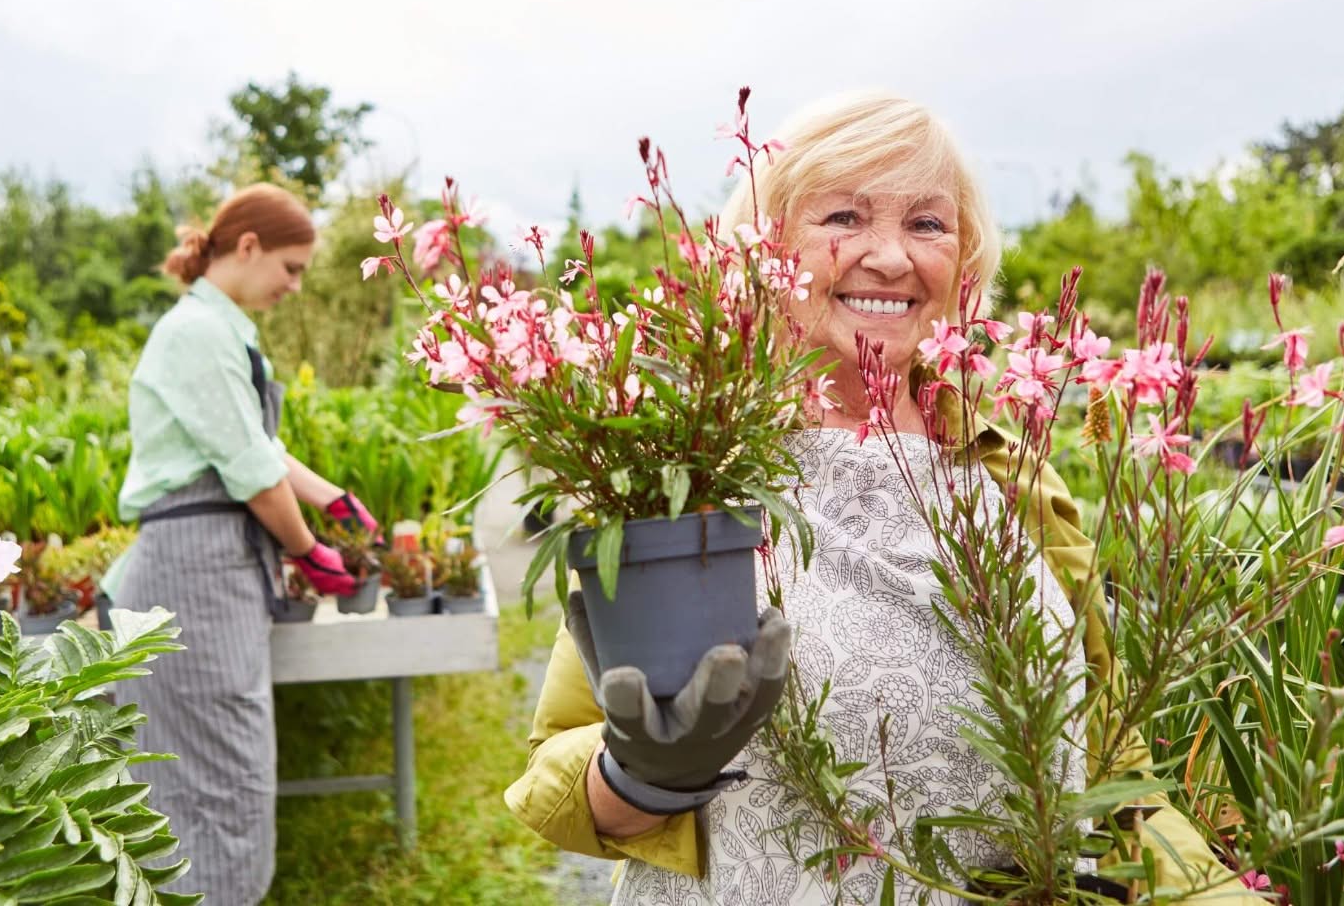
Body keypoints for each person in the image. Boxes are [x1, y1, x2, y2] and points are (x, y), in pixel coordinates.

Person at [504, 96, 1260, 904]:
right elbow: (558, 775)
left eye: (928, 225)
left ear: (965, 266)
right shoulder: (688, 476)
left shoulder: (1014, 477)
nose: (891, 258)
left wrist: (1216, 892)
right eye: (843, 216)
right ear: (767, 252)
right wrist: (643, 772)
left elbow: (1112, 761)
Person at [107, 183, 380, 906]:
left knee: (224, 771)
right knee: (212, 778)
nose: (294, 287)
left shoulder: (221, 328)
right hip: (192, 571)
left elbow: (258, 447)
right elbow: (254, 475)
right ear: (248, 245)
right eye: (290, 268)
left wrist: (333, 501)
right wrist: (306, 550)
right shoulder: (196, 332)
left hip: (210, 564)